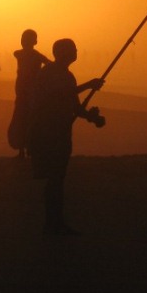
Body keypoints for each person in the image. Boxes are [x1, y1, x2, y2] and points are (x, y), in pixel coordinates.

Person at [30, 38, 104, 235]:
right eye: (73, 49)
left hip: (62, 131)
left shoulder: (68, 76)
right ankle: (51, 223)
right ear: (62, 52)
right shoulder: (49, 73)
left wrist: (92, 118)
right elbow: (57, 95)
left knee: (58, 177)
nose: (76, 51)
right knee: (54, 178)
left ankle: (56, 222)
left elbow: (75, 107)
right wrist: (89, 85)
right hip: (48, 131)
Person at [7, 29, 51, 157]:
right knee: (24, 119)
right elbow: (48, 64)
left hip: (30, 92)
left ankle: (26, 149)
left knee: (26, 119)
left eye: (25, 39)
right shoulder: (33, 55)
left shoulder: (23, 54)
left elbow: (48, 64)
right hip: (24, 92)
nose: (23, 41)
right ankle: (24, 149)